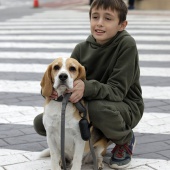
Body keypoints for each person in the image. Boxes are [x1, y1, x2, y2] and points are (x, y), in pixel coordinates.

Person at [34, 0, 144, 169]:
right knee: (44, 121)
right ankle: (86, 144)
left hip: (125, 106)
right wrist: (49, 91)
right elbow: (64, 78)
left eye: (108, 18)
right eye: (95, 17)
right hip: (90, 102)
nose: (99, 23)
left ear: (122, 25)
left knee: (95, 109)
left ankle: (125, 139)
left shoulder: (126, 45)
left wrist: (87, 88)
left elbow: (118, 91)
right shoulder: (81, 48)